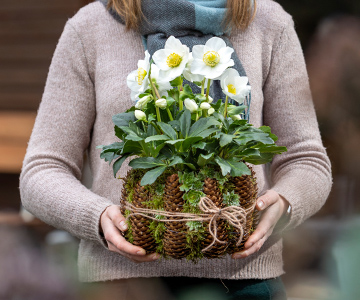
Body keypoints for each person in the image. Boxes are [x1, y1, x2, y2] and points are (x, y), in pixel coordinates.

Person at [19, 0, 332, 299]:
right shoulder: (90, 27)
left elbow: (306, 159)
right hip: (121, 287)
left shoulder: (268, 22)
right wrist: (97, 216)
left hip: (244, 283)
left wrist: (284, 204)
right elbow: (42, 170)